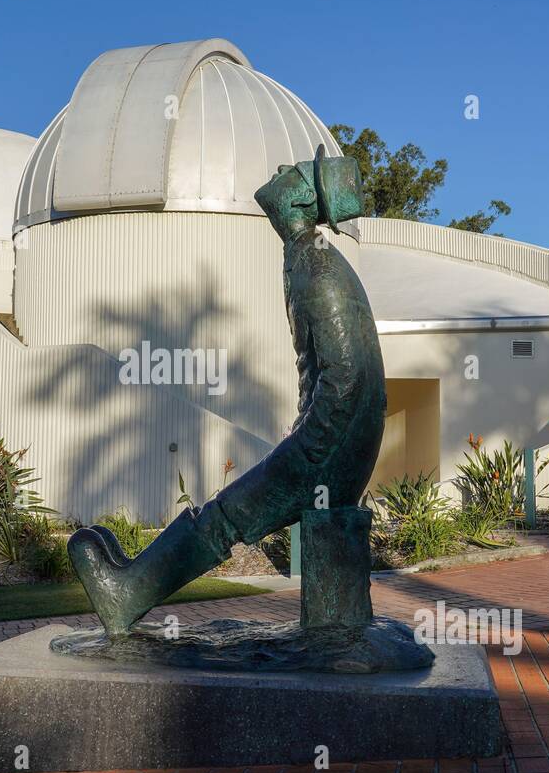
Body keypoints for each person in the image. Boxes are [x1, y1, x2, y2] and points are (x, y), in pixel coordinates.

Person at [69, 146, 387, 635]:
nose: (283, 171)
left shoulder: (316, 266)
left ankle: (128, 592)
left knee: (222, 518)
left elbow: (343, 377)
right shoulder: (308, 256)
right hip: (336, 445)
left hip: (330, 449)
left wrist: (307, 449)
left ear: (302, 199)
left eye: (295, 172)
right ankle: (138, 583)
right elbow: (318, 370)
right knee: (222, 515)